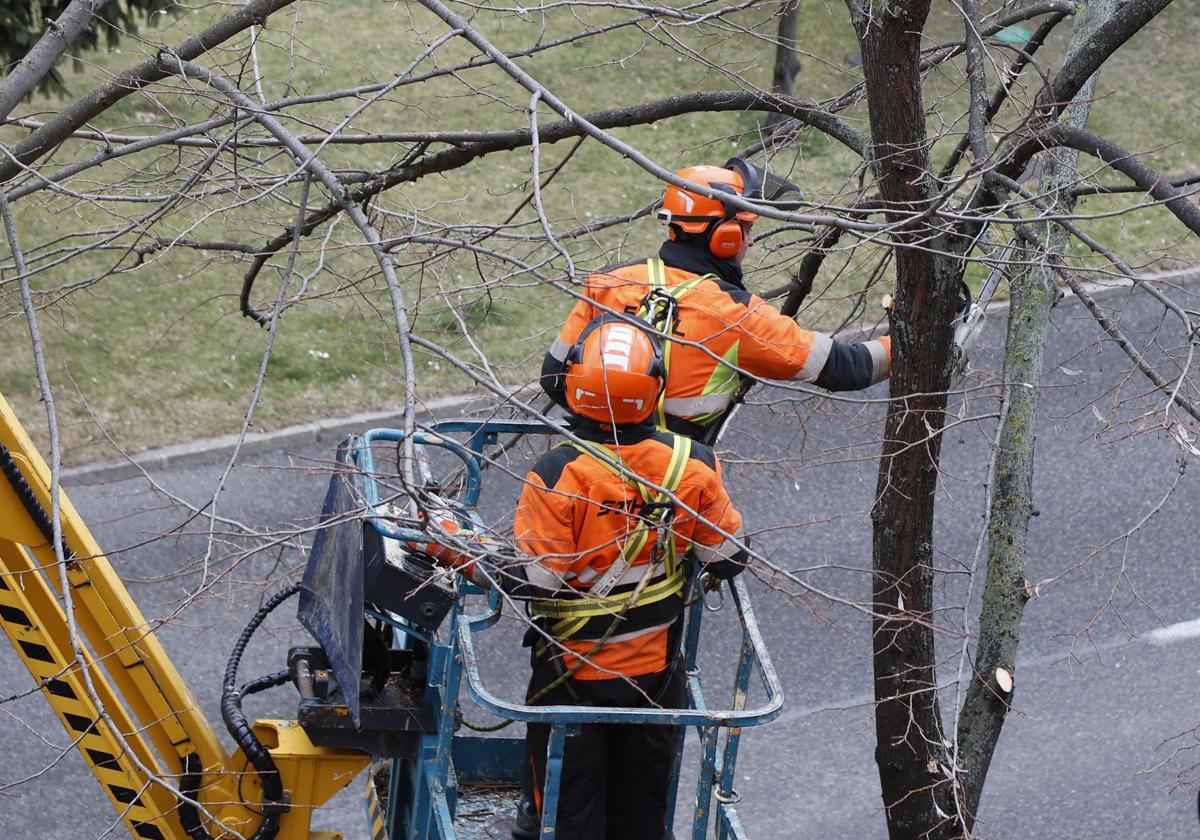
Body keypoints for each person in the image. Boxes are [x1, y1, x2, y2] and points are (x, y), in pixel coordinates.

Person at [498, 315, 747, 839]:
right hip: (655, 678)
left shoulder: (558, 473)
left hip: (572, 677)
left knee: (563, 818)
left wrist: (467, 556)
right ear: (655, 386)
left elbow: (536, 583)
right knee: (640, 816)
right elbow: (727, 556)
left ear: (574, 387)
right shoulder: (692, 464)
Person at [541, 160, 893, 443]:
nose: (750, 242)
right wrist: (905, 337)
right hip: (677, 486)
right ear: (724, 236)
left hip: (589, 467)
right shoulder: (735, 314)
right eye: (746, 228)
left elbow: (553, 378)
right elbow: (849, 368)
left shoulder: (609, 281)